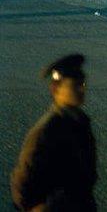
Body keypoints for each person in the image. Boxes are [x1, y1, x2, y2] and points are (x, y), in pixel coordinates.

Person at [11, 54, 97, 212]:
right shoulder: (46, 130)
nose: (81, 89)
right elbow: (22, 183)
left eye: (83, 84)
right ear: (56, 88)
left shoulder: (80, 121)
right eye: (75, 85)